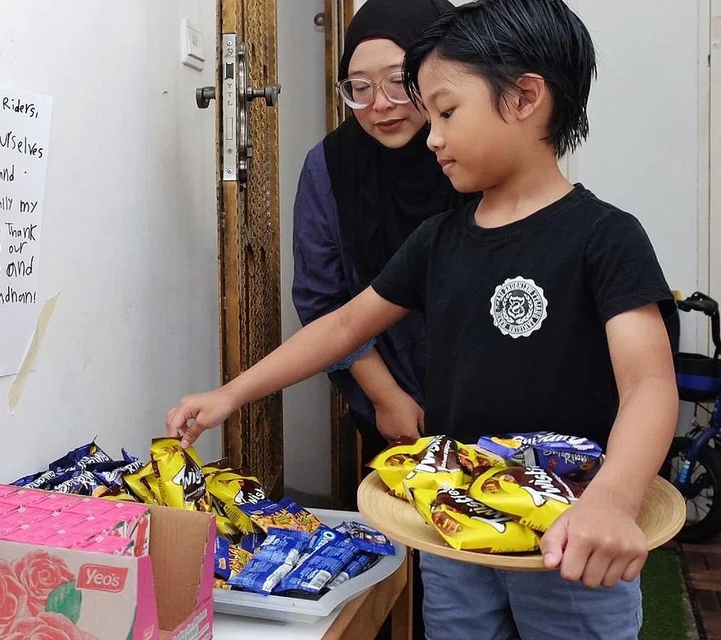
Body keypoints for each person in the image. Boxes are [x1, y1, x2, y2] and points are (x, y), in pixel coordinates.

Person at [167, 0, 678, 637]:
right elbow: (342, 326)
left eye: (446, 111)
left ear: (524, 99)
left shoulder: (606, 238)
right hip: (454, 525)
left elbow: (650, 384)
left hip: (571, 536)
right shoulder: (442, 237)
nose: (431, 136)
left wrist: (613, 500)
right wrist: (231, 394)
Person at [293, 0, 469, 471]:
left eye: (399, 80)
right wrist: (386, 396)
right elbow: (322, 297)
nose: (380, 105)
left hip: (489, 394)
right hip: (389, 394)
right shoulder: (330, 165)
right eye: (360, 88)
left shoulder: (475, 151)